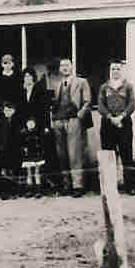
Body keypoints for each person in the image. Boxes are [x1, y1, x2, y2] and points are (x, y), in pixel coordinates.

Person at [50, 58, 91, 197]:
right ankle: (66, 185)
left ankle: (77, 185)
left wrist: (80, 115)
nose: (64, 68)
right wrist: (54, 119)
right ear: (59, 69)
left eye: (67, 65)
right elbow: (55, 103)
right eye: (62, 65)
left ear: (72, 67)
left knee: (75, 153)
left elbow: (87, 102)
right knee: (62, 154)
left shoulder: (81, 82)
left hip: (74, 120)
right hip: (59, 121)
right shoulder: (57, 84)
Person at [97, 60, 135, 195]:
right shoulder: (104, 87)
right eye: (113, 69)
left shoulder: (128, 86)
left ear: (122, 71)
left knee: (127, 155)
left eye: (118, 69)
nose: (115, 71)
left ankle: (130, 186)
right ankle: (110, 187)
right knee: (108, 156)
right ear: (110, 71)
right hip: (108, 124)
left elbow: (132, 104)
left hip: (124, 123)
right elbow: (100, 105)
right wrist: (110, 117)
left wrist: (121, 117)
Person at [0, 100, 24, 199]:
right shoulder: (0, 122)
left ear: (13, 111)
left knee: (13, 170)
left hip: (14, 150)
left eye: (9, 110)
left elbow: (20, 136)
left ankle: (14, 191)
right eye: (5, 110)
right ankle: (4, 191)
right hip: (3, 149)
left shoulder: (18, 121)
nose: (7, 112)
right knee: (4, 171)